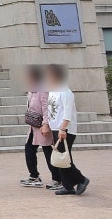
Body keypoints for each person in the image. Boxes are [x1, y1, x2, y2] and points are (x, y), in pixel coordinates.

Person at [46, 64, 90, 196]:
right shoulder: (53, 90)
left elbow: (67, 112)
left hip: (65, 130)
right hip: (55, 128)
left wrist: (63, 128)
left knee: (64, 158)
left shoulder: (65, 91)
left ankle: (82, 180)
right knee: (61, 158)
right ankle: (68, 186)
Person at [21, 64, 57, 189]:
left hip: (42, 126)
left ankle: (57, 178)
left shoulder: (43, 90)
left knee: (48, 151)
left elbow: (47, 107)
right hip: (33, 126)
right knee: (29, 148)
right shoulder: (32, 90)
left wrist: (46, 124)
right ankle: (34, 176)